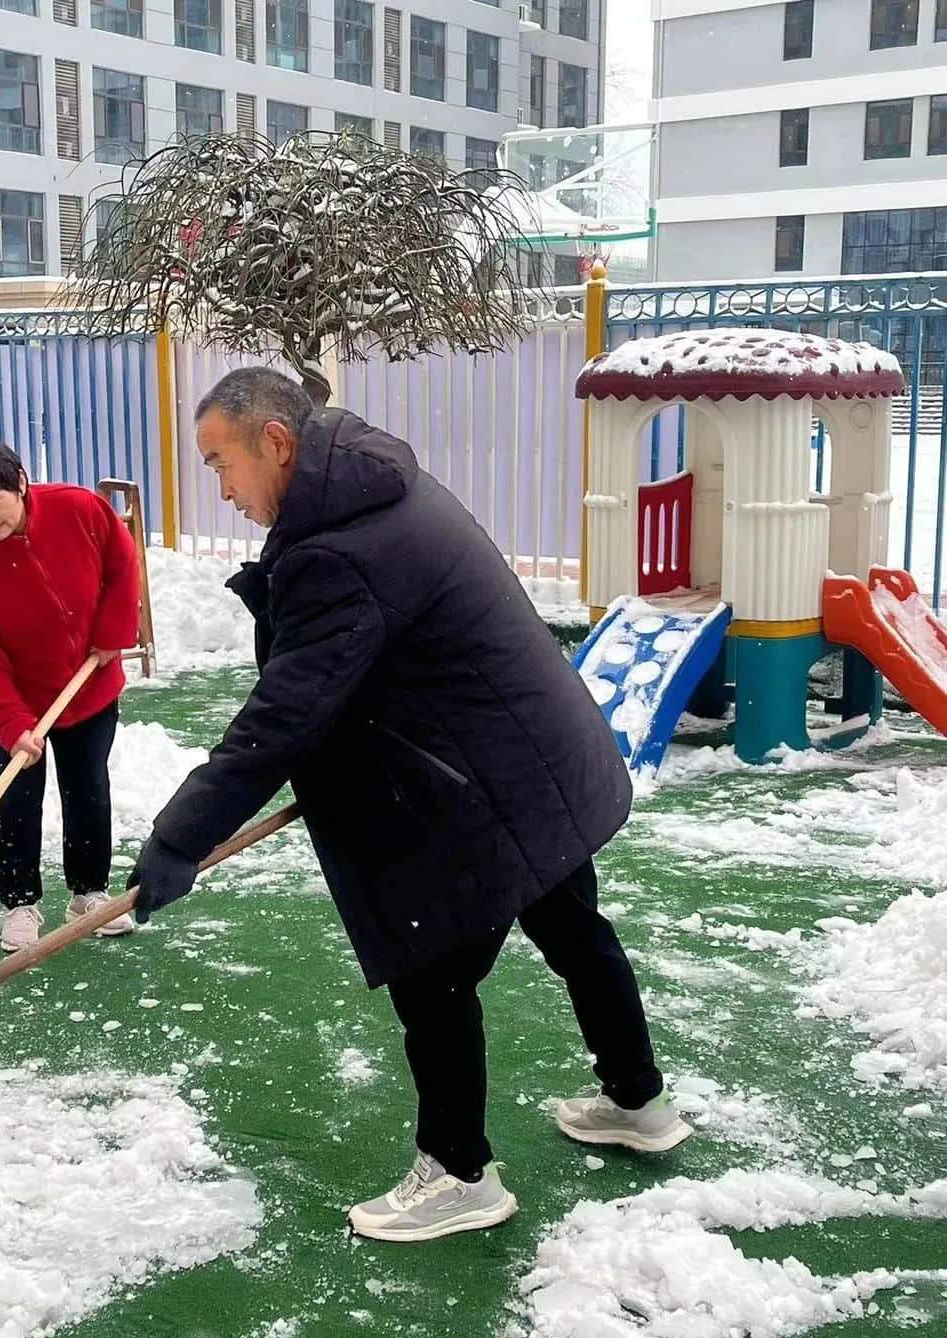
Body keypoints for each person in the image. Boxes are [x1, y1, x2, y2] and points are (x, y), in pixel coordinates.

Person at [129, 367, 690, 1243]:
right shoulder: (377, 485)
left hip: (480, 784)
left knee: (434, 978)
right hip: (533, 757)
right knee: (578, 932)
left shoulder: (337, 551)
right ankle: (638, 1102)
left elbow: (283, 716)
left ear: (276, 443)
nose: (223, 488)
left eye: (220, 464)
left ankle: (460, 1172)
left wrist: (179, 840)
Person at [0, 437, 140, 953]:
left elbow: (121, 563)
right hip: (18, 702)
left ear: (22, 483)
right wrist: (11, 724)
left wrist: (113, 628)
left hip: (89, 683)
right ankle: (20, 902)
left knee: (87, 789)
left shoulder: (78, 508)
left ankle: (89, 895)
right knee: (15, 799)